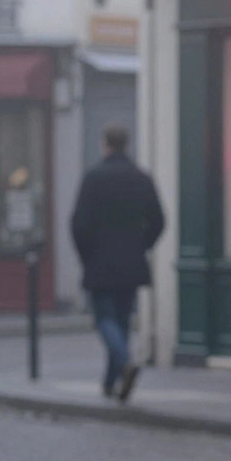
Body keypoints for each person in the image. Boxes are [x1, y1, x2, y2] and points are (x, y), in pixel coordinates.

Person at [71, 125, 165, 403]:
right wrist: (142, 245)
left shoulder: (93, 178)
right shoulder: (141, 178)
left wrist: (86, 254)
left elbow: (78, 224)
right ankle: (111, 382)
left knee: (104, 320)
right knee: (122, 321)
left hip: (100, 262)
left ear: (105, 145)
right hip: (132, 262)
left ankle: (123, 363)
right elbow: (159, 220)